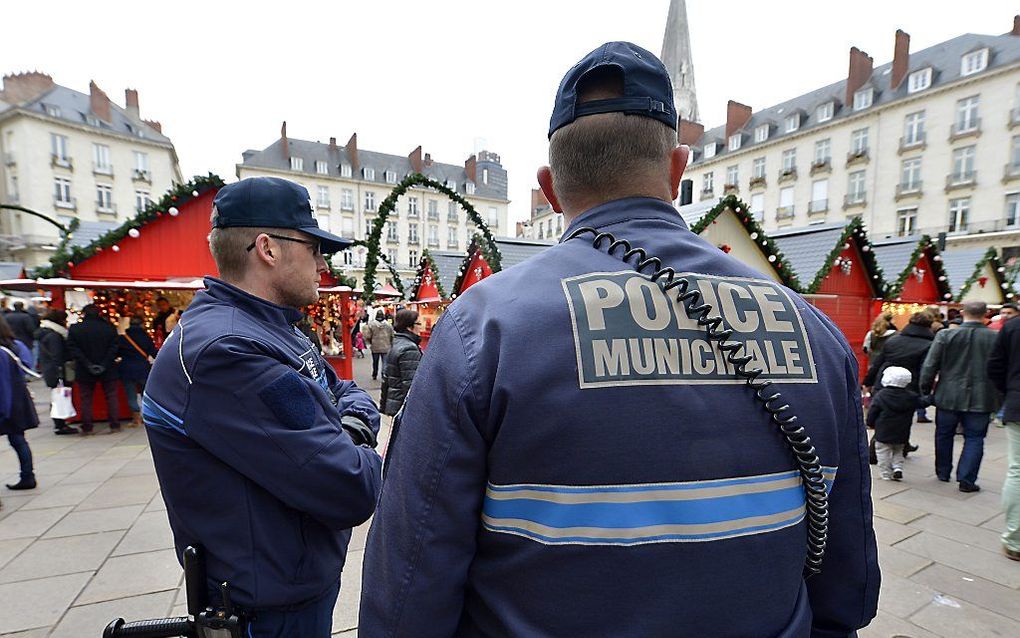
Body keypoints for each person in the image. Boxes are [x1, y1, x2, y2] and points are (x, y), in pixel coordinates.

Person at [360, 42, 879, 637]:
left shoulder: (484, 329)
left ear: (550, 189)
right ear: (678, 169)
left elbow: (410, 577)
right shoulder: (812, 328)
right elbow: (848, 584)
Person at [143, 176, 382, 637]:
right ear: (268, 248)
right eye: (312, 247)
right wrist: (353, 433)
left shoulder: (273, 329)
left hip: (288, 586)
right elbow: (351, 484)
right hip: (268, 611)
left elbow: (348, 391)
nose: (321, 262)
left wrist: (342, 422)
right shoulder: (228, 350)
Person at [920, 300, 1001, 492]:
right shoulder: (995, 338)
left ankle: (943, 471)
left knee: (943, 434)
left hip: (948, 393)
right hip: (982, 396)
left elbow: (930, 365)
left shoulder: (946, 335)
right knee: (975, 437)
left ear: (963, 312)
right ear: (986, 314)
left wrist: (925, 389)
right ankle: (967, 478)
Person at [987, 305, 1020, 561]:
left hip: (1018, 404)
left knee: (1018, 470)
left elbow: (995, 367)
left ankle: (1014, 540)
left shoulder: (1013, 327)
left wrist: (1010, 392)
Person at [864, 311, 935, 429]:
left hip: (884, 382)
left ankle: (879, 443)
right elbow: (925, 370)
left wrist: (868, 381)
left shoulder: (893, 340)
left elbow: (878, 363)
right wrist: (925, 391)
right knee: (903, 420)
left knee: (882, 420)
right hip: (909, 387)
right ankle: (900, 443)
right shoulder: (929, 345)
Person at [66, 305, 122, 435]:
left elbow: (73, 348)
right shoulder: (109, 327)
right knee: (111, 396)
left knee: (86, 398)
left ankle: (87, 426)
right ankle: (114, 424)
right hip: (108, 368)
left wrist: (87, 364)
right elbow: (114, 347)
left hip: (84, 368)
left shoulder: (75, 329)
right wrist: (104, 363)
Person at [867, 366, 927, 481]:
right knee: (898, 451)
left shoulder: (881, 395)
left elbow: (873, 411)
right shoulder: (911, 397)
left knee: (882, 452)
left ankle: (885, 473)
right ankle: (897, 468)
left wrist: (870, 422)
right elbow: (922, 403)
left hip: (883, 431)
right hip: (902, 432)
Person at [0, 313, 39, 491]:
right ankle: (27, 475)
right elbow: (27, 365)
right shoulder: (15, 345)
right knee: (18, 439)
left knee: (17, 440)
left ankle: (27, 477)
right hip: (17, 397)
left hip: (5, 400)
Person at [36, 309, 77, 435]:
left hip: (49, 369)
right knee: (59, 397)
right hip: (57, 371)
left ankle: (59, 423)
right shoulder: (55, 336)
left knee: (56, 396)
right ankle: (60, 424)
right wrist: (60, 372)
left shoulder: (45, 333)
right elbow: (57, 355)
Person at [380, 309, 422, 417]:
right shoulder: (409, 349)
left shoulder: (396, 343)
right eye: (418, 323)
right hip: (403, 408)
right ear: (409, 326)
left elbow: (386, 379)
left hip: (394, 404)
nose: (420, 327)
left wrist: (383, 406)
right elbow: (411, 385)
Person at [117, 315, 157, 428]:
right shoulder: (146, 337)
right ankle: (147, 416)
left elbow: (116, 353)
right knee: (146, 394)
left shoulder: (123, 338)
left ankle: (136, 419)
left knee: (131, 395)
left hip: (127, 369)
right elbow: (153, 352)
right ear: (141, 325)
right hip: (143, 368)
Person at [363, 310, 394, 381]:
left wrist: (370, 342)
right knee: (385, 362)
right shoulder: (388, 324)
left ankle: (374, 374)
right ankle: (384, 374)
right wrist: (391, 343)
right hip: (386, 346)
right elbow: (392, 335)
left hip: (375, 346)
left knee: (375, 362)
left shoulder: (372, 324)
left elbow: (368, 336)